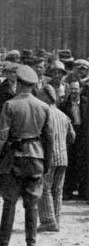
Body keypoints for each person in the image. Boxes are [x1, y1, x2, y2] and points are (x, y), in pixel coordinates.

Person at [0, 65, 53, 246]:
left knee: (10, 202)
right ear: (33, 86)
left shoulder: (10, 105)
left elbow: (0, 138)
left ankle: (3, 244)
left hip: (14, 158)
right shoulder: (43, 107)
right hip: (36, 158)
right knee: (31, 204)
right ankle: (31, 245)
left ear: (18, 83)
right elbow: (49, 138)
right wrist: (47, 163)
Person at [38, 85, 75, 232]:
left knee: (45, 188)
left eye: (40, 95)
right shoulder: (63, 115)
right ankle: (56, 220)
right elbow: (72, 137)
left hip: (49, 157)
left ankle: (48, 220)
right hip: (63, 157)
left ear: (47, 96)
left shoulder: (44, 113)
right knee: (58, 190)